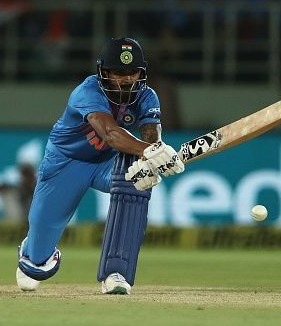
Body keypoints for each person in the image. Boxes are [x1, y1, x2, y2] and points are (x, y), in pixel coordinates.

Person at [15, 37, 185, 295]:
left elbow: (151, 134)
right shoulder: (87, 91)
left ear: (142, 72)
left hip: (108, 164)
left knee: (138, 178)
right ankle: (35, 250)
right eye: (119, 73)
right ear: (104, 72)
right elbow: (110, 134)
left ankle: (116, 273)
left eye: (132, 73)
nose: (126, 79)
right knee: (34, 268)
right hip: (66, 162)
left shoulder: (147, 96)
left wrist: (154, 156)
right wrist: (151, 151)